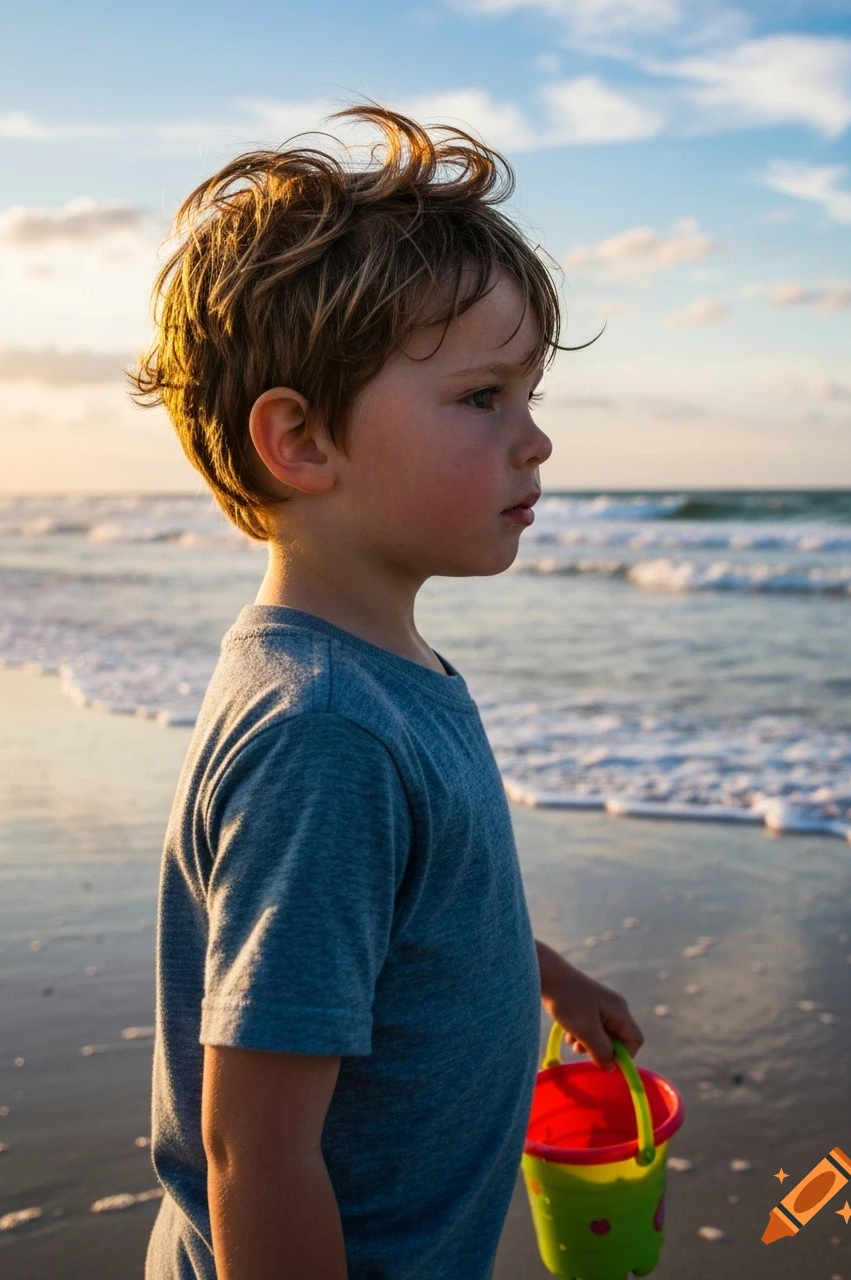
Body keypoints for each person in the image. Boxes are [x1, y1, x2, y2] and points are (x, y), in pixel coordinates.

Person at [130, 101, 644, 1280]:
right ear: (301, 444)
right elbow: (252, 1147)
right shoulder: (324, 733)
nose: (535, 442)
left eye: (529, 396)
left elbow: (392, 913)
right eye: (482, 399)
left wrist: (543, 970)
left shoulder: (369, 672)